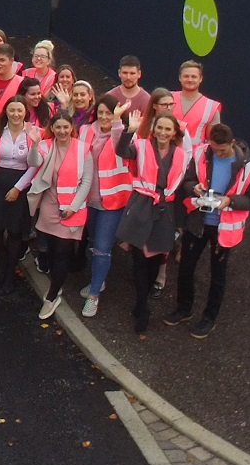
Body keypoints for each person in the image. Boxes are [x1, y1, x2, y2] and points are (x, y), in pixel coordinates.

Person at [168, 122, 250, 338]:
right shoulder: (202, 153)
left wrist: (229, 200)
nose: (217, 153)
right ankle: (184, 308)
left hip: (224, 229)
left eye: (222, 150)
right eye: (214, 148)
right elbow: (188, 180)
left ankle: (209, 318)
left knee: (217, 275)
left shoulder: (248, 167)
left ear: (233, 143)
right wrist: (194, 188)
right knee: (186, 267)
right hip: (198, 222)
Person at [115, 108, 192, 334]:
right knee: (139, 259)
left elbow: (182, 186)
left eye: (168, 129)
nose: (163, 132)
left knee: (154, 259)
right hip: (141, 206)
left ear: (175, 132)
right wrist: (129, 131)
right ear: (154, 129)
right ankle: (143, 307)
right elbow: (122, 151)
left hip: (165, 210)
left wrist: (180, 221)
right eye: (160, 127)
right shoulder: (141, 146)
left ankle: (142, 300)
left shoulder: (181, 155)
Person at [27, 113, 92, 319]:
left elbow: (87, 181)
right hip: (50, 205)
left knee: (63, 251)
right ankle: (57, 285)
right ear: (52, 129)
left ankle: (52, 296)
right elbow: (34, 162)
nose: (62, 131)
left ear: (72, 127)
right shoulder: (46, 145)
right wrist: (35, 145)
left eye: (66, 127)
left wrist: (73, 207)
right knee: (53, 251)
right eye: (58, 127)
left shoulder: (83, 149)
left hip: (72, 208)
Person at [0, 94, 43, 295]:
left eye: (19, 110)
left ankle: (9, 275)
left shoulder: (33, 132)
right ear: (5, 111)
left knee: (15, 233)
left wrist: (18, 188)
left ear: (26, 112)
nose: (15, 114)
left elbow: (34, 164)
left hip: (21, 183)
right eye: (12, 110)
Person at [79, 96, 132, 317]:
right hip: (88, 200)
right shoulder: (85, 131)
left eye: (108, 113)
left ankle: (93, 296)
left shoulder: (125, 135)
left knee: (102, 247)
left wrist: (118, 122)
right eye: (100, 112)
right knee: (92, 242)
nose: (103, 117)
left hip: (113, 201)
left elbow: (121, 148)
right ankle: (97, 281)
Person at [174, 61, 224, 147]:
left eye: (194, 77)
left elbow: (213, 140)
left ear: (200, 79)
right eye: (186, 76)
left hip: (196, 158)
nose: (190, 80)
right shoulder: (167, 99)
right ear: (179, 78)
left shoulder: (211, 107)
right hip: (166, 155)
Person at [113, 56, 151, 120]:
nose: (128, 77)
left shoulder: (147, 100)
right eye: (125, 73)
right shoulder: (110, 96)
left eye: (132, 73)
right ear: (119, 73)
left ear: (139, 74)